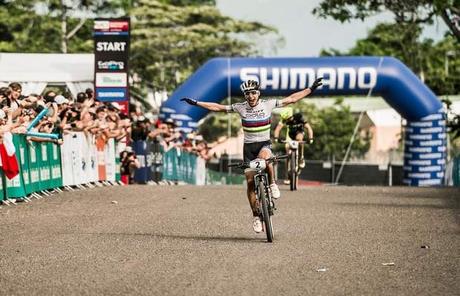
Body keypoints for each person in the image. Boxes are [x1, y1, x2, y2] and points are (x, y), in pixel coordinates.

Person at [181, 77, 323, 233]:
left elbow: (292, 99)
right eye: (247, 94)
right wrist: (196, 103)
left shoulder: (268, 104)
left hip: (264, 144)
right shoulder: (240, 107)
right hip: (248, 148)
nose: (251, 96)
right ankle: (256, 216)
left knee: (265, 158)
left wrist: (311, 89)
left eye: (253, 93)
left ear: (258, 93)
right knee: (249, 183)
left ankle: (272, 184)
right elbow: (218, 107)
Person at [274, 108, 314, 183]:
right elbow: (278, 129)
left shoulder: (299, 117)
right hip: (290, 136)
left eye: (287, 119)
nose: (286, 121)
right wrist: (276, 138)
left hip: (299, 133)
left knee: (299, 139)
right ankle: (287, 176)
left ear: (290, 116)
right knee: (287, 150)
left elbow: (309, 128)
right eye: (285, 120)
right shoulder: (284, 120)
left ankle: (301, 157)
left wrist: (310, 138)